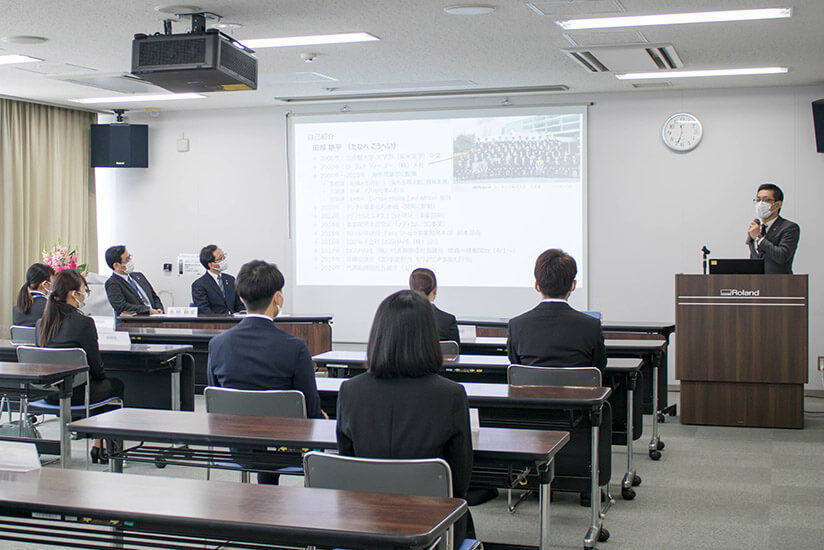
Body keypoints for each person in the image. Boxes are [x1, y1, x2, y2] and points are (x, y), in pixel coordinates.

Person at [336, 290, 474, 542]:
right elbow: (459, 481)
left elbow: (347, 465)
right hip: (433, 528)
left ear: (378, 334)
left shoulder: (350, 391)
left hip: (364, 526)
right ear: (429, 337)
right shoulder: (450, 394)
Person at [207, 260, 325, 484]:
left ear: (241, 298)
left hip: (236, 447)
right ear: (278, 298)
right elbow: (309, 409)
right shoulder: (295, 347)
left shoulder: (217, 344)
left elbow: (215, 399)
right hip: (285, 449)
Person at [37, 269, 124, 463]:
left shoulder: (41, 323)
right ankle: (107, 449)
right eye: (84, 290)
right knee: (113, 385)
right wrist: (102, 376)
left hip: (49, 393)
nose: (85, 295)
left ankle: (98, 444)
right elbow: (96, 368)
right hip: (76, 394)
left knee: (94, 387)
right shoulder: (84, 323)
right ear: (73, 294)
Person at [507, 249, 607, 373]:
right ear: (573, 285)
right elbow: (598, 370)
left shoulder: (517, 326)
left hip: (531, 392)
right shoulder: (591, 326)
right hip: (578, 392)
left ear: (537, 285)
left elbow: (517, 370)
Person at [747, 183, 800, 274]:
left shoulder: (789, 227)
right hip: (756, 283)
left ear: (778, 204)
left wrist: (759, 238)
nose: (760, 204)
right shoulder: (756, 227)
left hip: (780, 283)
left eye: (766, 200)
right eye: (758, 200)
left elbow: (782, 256)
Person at [103, 245, 164, 316]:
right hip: (136, 322)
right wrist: (148, 310)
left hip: (156, 318)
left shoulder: (139, 276)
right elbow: (121, 306)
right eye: (127, 260)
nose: (130, 261)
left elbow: (154, 297)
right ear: (116, 266)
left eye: (130, 257)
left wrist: (159, 309)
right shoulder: (112, 283)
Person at [409, 267, 460, 344]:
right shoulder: (448, 321)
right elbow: (454, 354)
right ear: (435, 290)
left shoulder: (397, 319)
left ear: (411, 289)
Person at [191, 245, 245, 314]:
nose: (224, 260)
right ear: (211, 265)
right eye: (220, 258)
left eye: (224, 256)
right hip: (215, 322)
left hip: (234, 321)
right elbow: (204, 310)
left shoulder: (231, 279)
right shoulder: (199, 285)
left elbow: (239, 305)